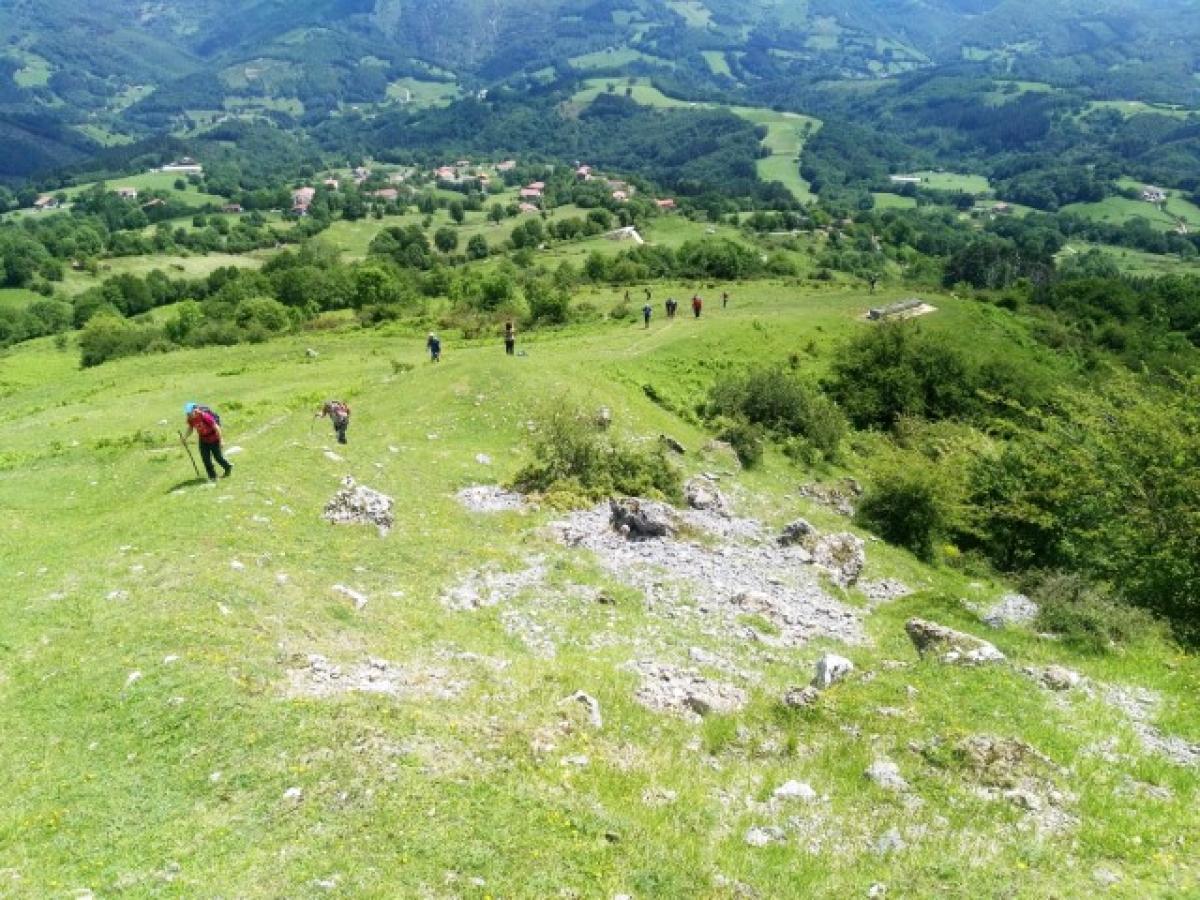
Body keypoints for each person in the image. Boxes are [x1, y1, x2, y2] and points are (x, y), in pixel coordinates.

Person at [182, 402, 232, 482]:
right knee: (205, 459)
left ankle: (227, 467)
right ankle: (213, 477)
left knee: (218, 457)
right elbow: (190, 428)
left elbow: (216, 427)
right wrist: (185, 438)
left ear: (194, 410)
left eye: (190, 412)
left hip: (214, 438)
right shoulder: (190, 418)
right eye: (187, 413)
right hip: (203, 439)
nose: (189, 415)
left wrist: (221, 440)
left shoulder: (204, 416)